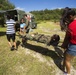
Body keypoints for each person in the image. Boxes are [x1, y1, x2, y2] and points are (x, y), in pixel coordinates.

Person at [61, 8, 76, 75]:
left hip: (73, 46)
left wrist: (64, 45)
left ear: (70, 16)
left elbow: (67, 38)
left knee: (67, 60)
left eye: (66, 18)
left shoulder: (71, 26)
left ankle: (68, 73)